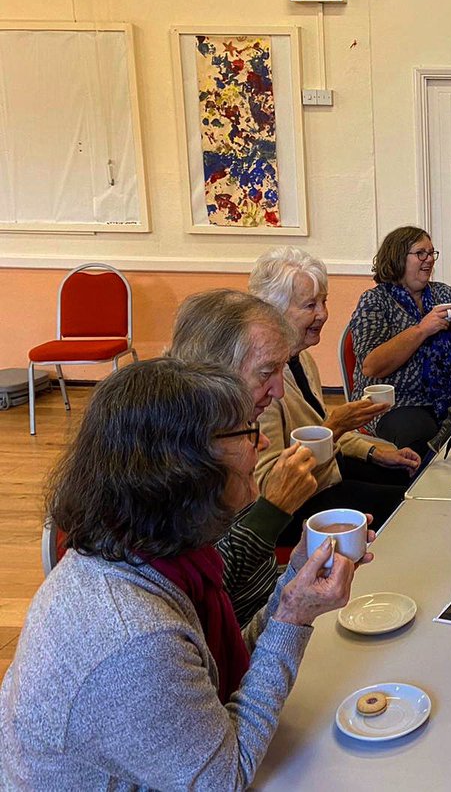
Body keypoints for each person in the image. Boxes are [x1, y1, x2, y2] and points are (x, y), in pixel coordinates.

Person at [0, 358, 370, 787]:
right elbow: (224, 777)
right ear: (182, 465)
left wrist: (296, 583)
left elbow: (218, 677)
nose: (265, 442)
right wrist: (293, 617)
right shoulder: (134, 636)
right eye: (246, 432)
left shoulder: (151, 556)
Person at [249, 247, 422, 545]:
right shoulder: (263, 383)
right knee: (410, 506)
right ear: (272, 311)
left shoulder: (301, 359)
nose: (323, 314)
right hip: (295, 509)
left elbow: (321, 428)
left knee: (415, 479)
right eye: (310, 305)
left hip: (325, 475)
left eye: (324, 301)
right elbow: (269, 488)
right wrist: (336, 426)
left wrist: (375, 452)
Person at [167, 289, 321, 624]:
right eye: (266, 373)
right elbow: (205, 591)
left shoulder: (228, 428)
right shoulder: (174, 453)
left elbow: (255, 584)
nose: (278, 391)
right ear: (215, 371)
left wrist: (304, 569)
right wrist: (273, 510)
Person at [350, 226, 451, 450]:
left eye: (431, 253)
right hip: (397, 402)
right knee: (421, 438)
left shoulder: (443, 293)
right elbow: (371, 366)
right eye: (420, 253)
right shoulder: (375, 300)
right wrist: (422, 329)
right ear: (397, 258)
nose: (429, 259)